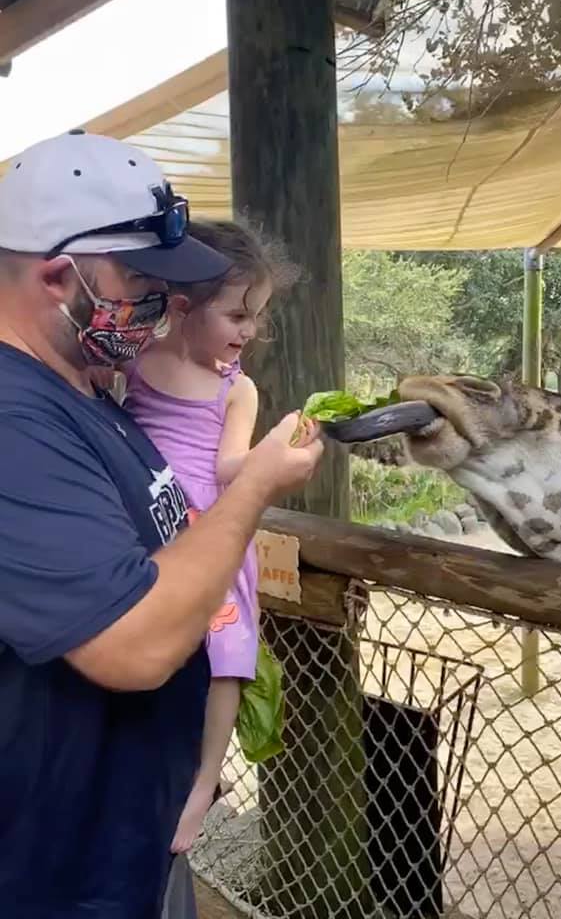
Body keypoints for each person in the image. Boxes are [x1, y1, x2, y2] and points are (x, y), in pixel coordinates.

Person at [0, 130, 323, 918]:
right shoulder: (13, 418)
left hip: (112, 842)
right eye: (143, 279)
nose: (161, 303)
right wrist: (255, 492)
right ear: (57, 277)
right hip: (45, 873)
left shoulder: (80, 389)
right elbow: (134, 645)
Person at [121, 218, 294, 854]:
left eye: (257, 316)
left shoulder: (237, 388)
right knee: (155, 641)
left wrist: (276, 456)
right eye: (237, 315)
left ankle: (205, 782)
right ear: (184, 307)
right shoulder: (136, 363)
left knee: (226, 656)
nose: (249, 331)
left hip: (214, 531)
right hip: (151, 529)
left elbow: (226, 467)